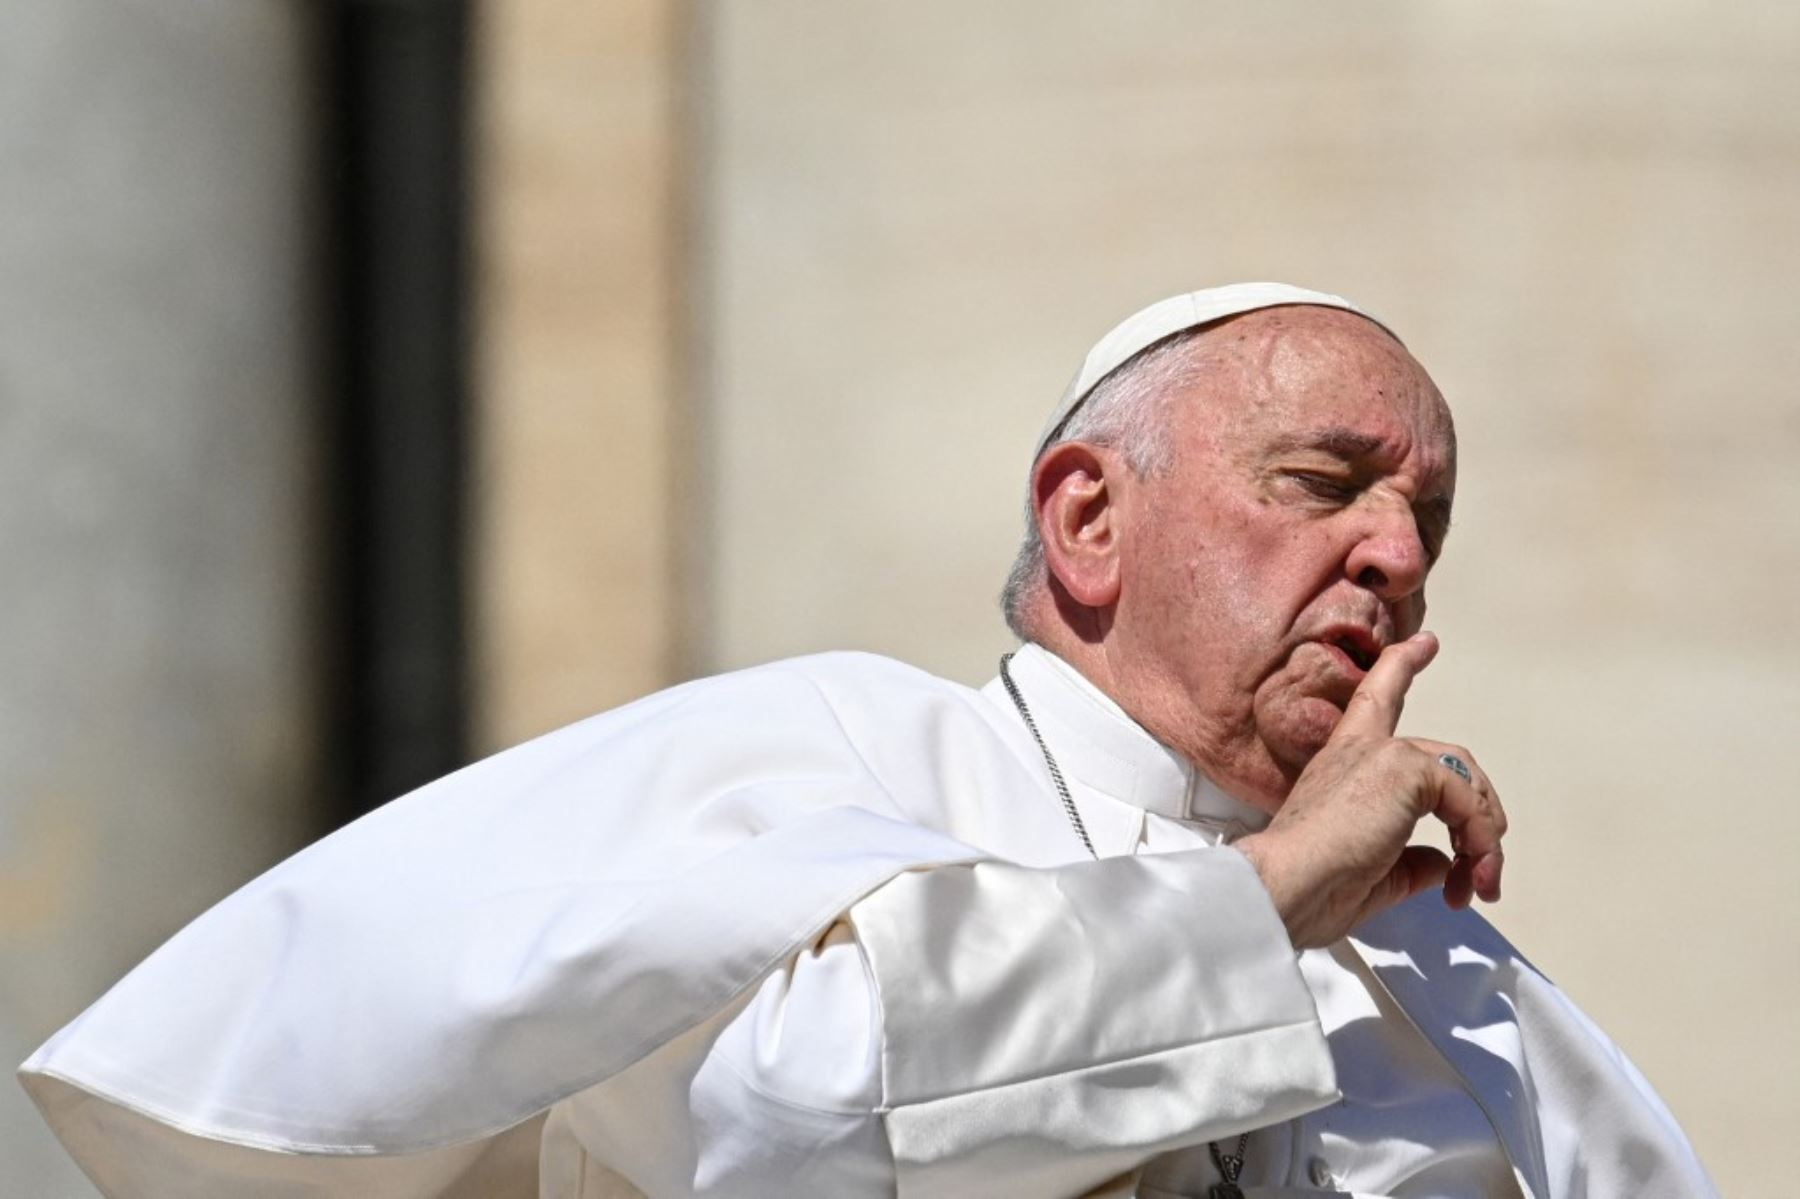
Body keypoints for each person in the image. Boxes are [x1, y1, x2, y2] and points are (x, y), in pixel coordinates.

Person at [21, 283, 1715, 1198]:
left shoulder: (1462, 989)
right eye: (1326, 485)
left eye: (1424, 519)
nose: (1397, 556)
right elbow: (787, 1139)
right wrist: (1261, 901)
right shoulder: (835, 763)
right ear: (1088, 521)